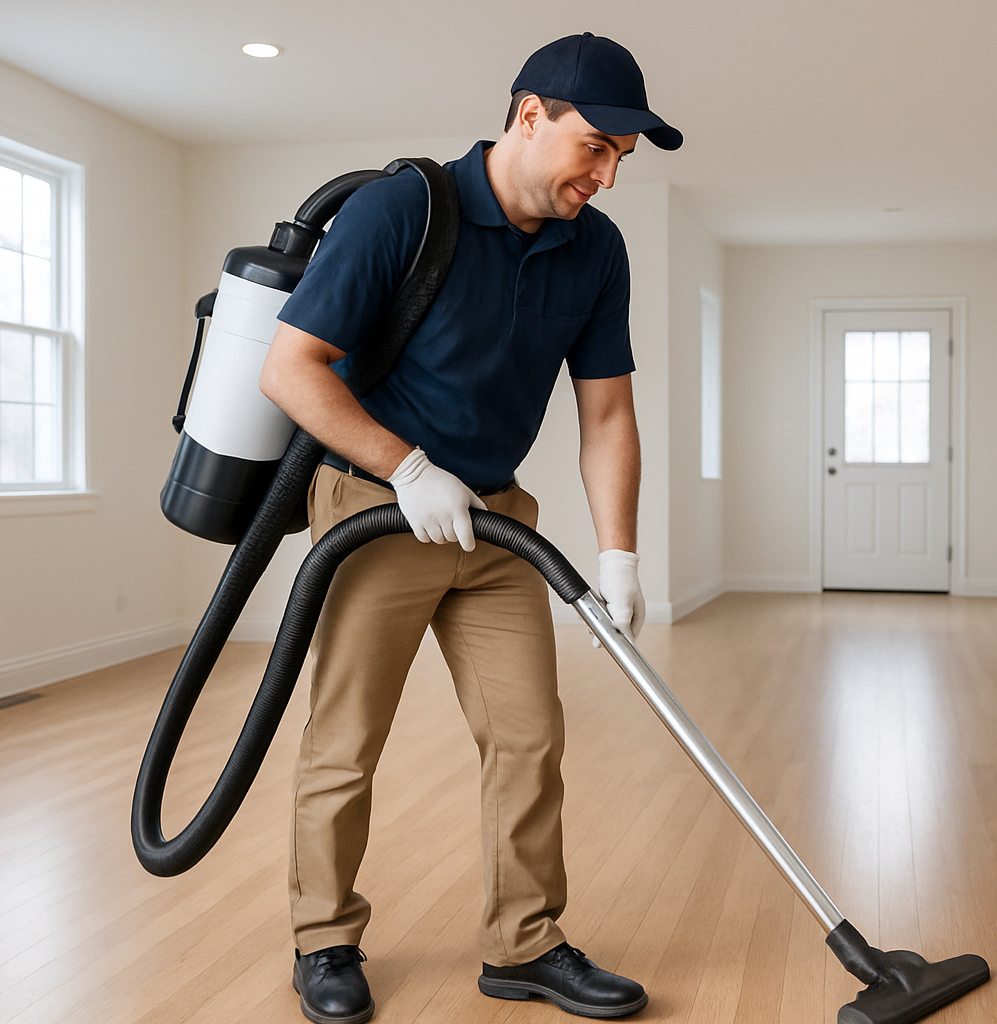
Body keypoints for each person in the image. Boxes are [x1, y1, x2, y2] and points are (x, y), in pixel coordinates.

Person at [260, 32, 682, 1024]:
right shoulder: (403, 209)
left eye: (623, 157)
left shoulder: (596, 248)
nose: (608, 175)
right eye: (597, 146)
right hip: (374, 508)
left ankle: (525, 943)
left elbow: (608, 412)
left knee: (529, 738)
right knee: (346, 738)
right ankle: (324, 938)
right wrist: (405, 467)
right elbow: (290, 369)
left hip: (496, 521)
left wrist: (619, 550)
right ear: (528, 114)